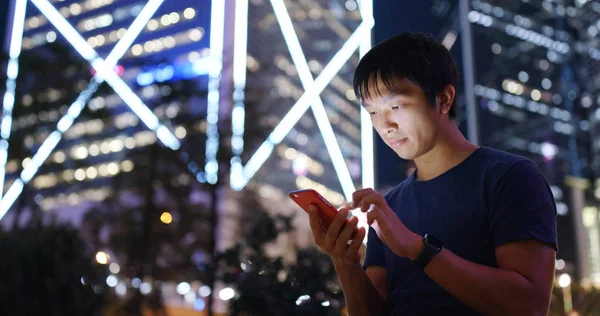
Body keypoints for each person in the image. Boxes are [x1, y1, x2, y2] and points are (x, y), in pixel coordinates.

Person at [307, 32, 557, 315]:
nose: (385, 125)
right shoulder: (389, 207)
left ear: (444, 98)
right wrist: (345, 262)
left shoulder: (509, 177)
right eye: (373, 112)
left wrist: (418, 249)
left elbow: (529, 306)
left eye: (396, 105)